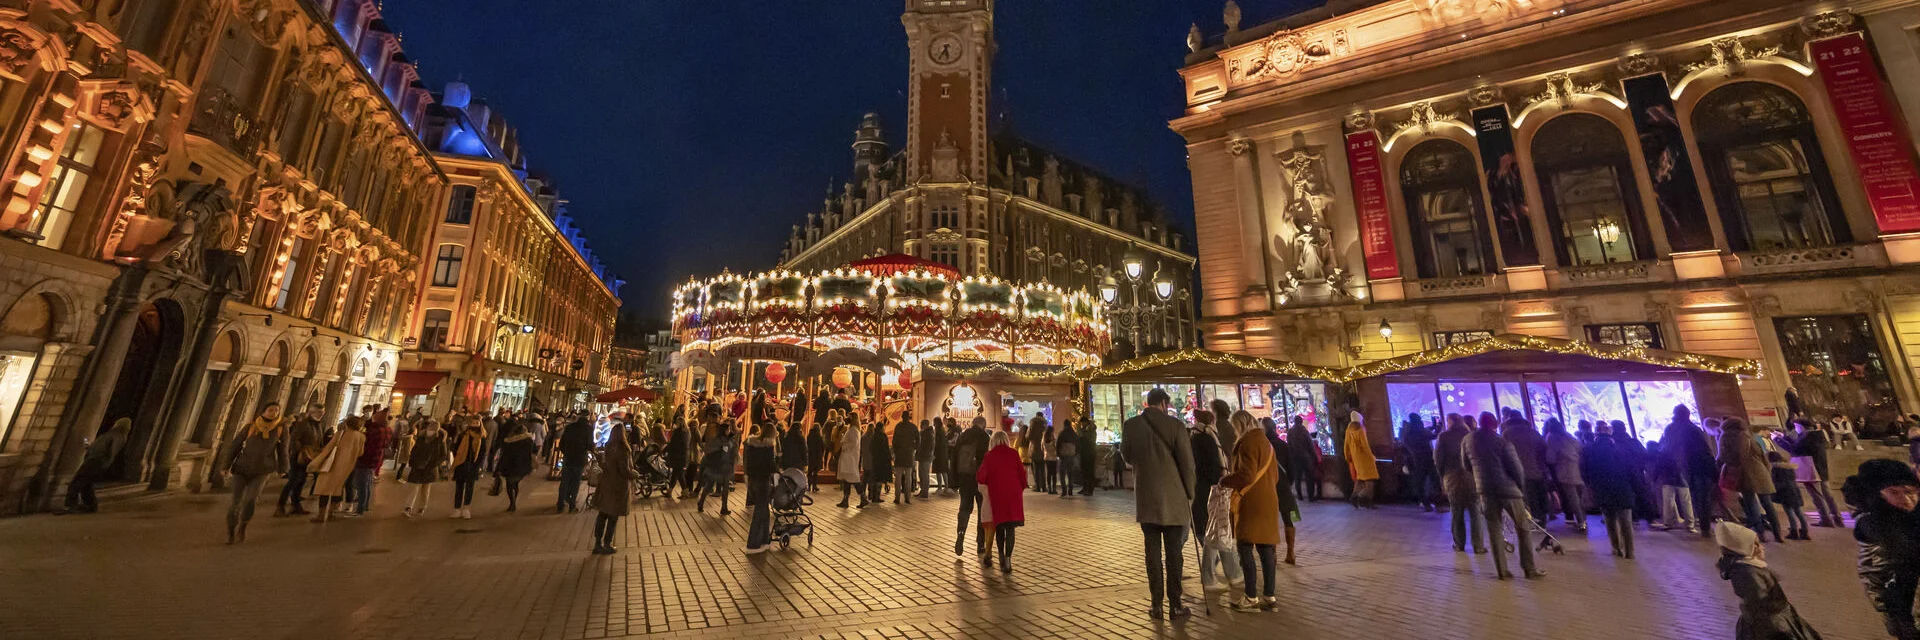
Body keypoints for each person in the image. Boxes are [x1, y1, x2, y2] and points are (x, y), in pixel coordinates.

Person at [1121, 388, 1196, 620]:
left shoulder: (1131, 426)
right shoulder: (1175, 426)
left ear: (1147, 403)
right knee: (1174, 554)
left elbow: (1126, 456)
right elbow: (1187, 464)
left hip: (1146, 499)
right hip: (1174, 499)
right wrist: (1190, 493)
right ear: (1164, 403)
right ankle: (1175, 604)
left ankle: (1156, 604)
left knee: (1152, 553)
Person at [1844, 459, 1920, 639]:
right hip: (1906, 610)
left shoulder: (1911, 516)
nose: (1906, 499)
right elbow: (1874, 574)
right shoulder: (1874, 524)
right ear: (1877, 495)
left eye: (1911, 492)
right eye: (1894, 492)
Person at [1465, 411, 1544, 579]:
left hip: (1485, 490)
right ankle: (1529, 568)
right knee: (1522, 527)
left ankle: (1502, 570)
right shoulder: (1502, 442)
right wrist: (1521, 490)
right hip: (1508, 490)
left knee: (1494, 529)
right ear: (1494, 424)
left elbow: (1465, 465)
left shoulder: (1468, 440)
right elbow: (1516, 468)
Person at [1222, 410, 1281, 611]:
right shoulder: (1266, 443)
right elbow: (1275, 476)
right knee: (1266, 549)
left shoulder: (1247, 443)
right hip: (1268, 500)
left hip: (1251, 502)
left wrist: (1226, 481)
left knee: (1245, 547)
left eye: (1234, 426)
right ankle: (1270, 595)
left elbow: (1246, 475)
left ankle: (1250, 595)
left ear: (1240, 425)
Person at [1189, 409, 1239, 594]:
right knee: (1213, 531)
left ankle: (1233, 572)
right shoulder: (1206, 438)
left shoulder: (1196, 436)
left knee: (1216, 530)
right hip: (1211, 489)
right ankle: (1211, 576)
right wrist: (1221, 483)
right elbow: (1212, 466)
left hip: (1203, 489)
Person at [222, 403, 287, 544]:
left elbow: (283, 451)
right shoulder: (251, 426)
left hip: (262, 470)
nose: (273, 413)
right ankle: (231, 531)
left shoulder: (280, 429)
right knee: (235, 502)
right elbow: (235, 446)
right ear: (263, 411)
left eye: (276, 411)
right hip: (242, 468)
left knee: (251, 499)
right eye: (270, 410)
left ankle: (243, 526)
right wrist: (225, 465)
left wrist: (283, 469)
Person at [1720, 418, 1783, 543]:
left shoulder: (1726, 437)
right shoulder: (1749, 437)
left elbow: (1724, 456)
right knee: (1768, 504)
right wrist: (1767, 470)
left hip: (1744, 474)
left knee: (1751, 503)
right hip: (1761, 473)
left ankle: (1760, 533)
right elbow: (1762, 456)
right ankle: (1778, 533)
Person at [1662, 405, 1720, 539]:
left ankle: (1701, 525)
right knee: (1704, 498)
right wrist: (1714, 470)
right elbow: (1704, 450)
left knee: (1694, 498)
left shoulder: (1670, 429)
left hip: (1681, 469)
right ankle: (1705, 527)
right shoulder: (1693, 429)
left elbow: (1666, 449)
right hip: (1700, 468)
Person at [1583, 422, 1637, 559]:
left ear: (1596, 434)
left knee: (1610, 519)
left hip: (1603, 488)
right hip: (1622, 487)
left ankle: (1616, 547)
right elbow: (1631, 469)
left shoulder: (1590, 450)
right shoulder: (1619, 448)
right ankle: (1629, 551)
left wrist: (1591, 486)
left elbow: (1587, 471)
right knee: (1625, 521)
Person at [977, 428, 1028, 572]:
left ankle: (999, 556)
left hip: (997, 494)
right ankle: (1008, 559)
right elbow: (1022, 475)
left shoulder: (989, 456)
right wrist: (1019, 490)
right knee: (1011, 528)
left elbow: (981, 477)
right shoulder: (1013, 454)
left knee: (999, 526)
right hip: (1013, 495)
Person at [1437, 413, 1485, 553]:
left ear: (1450, 421)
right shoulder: (1472, 436)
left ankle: (1459, 544)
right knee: (1475, 511)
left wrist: (1442, 476)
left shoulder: (1444, 437)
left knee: (1456, 511)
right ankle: (1479, 546)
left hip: (1452, 477)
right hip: (1472, 477)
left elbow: (1439, 459)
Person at [1259, 416, 1302, 565]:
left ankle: (1273, 554)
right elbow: (1292, 469)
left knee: (1270, 520)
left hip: (1267, 487)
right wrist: (1288, 483)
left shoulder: (1262, 446)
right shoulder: (1283, 445)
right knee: (1289, 518)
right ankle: (1290, 552)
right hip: (1283, 486)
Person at [309, 417, 367, 524]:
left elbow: (328, 448)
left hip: (333, 465)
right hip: (348, 466)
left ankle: (321, 515)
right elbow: (360, 453)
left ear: (347, 424)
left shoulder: (340, 434)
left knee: (325, 489)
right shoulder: (362, 437)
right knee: (337, 489)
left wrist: (316, 462)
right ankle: (331, 513)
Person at [1788, 420, 1842, 528]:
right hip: (1821, 469)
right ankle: (1837, 518)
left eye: (1796, 426)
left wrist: (1779, 439)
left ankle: (1826, 519)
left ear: (1801, 426)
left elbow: (1795, 449)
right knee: (1827, 495)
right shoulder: (1818, 436)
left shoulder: (1807, 438)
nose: (1796, 429)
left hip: (1811, 469)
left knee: (1817, 495)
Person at [1500, 410, 1550, 526]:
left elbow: (1503, 453)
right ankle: (1542, 520)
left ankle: (1534, 522)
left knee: (1527, 498)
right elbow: (1544, 449)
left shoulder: (1507, 434)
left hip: (1518, 471)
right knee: (1538, 496)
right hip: (1537, 470)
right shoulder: (1533, 432)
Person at [276, 404, 326, 517]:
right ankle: (280, 506)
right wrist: (299, 452)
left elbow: (318, 440)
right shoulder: (303, 424)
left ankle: (296, 506)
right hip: (299, 456)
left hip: (309, 456)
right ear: (311, 412)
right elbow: (293, 439)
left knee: (301, 481)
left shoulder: (318, 425)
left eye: (322, 412)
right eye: (319, 412)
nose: (321, 414)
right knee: (293, 480)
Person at [591, 425, 634, 555]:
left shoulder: (608, 447)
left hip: (606, 484)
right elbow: (624, 470)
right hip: (618, 486)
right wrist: (634, 474)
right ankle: (607, 543)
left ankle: (597, 543)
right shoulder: (623, 450)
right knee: (613, 516)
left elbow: (604, 464)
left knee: (602, 514)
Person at [952, 416, 991, 557]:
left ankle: (960, 534)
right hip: (981, 481)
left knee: (964, 508)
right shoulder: (985, 438)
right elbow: (989, 462)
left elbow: (955, 459)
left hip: (965, 479)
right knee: (982, 510)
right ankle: (980, 543)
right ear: (983, 426)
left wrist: (954, 481)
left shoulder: (963, 436)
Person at [1542, 418, 1586, 532]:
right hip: (1577, 469)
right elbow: (1580, 447)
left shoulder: (1551, 437)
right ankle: (1583, 520)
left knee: (1573, 498)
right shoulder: (1568, 436)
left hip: (1563, 471)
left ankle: (1581, 522)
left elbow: (1550, 458)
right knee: (1579, 497)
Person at [743, 421, 779, 554]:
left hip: (753, 479)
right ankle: (753, 544)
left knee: (764, 510)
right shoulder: (768, 447)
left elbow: (748, 462)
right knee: (760, 510)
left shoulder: (751, 444)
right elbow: (771, 465)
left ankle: (765, 540)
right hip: (763, 480)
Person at [1649, 440, 1698, 534]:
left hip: (1667, 479)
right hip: (1681, 479)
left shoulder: (1662, 452)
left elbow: (1658, 467)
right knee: (1686, 502)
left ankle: (1668, 523)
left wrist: (1654, 478)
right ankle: (1690, 525)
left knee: (1668, 502)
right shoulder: (1681, 449)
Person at [402, 420, 447, 518]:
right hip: (418, 466)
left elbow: (443, 455)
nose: (430, 431)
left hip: (430, 468)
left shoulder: (440, 440)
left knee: (425, 490)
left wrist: (434, 464)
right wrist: (412, 461)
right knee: (414, 488)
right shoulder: (421, 438)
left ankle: (421, 507)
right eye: (430, 428)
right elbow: (414, 450)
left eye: (433, 429)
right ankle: (408, 507)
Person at [349, 409, 390, 517]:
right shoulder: (387, 429)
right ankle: (365, 505)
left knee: (361, 484)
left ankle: (360, 509)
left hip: (366, 458)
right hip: (375, 459)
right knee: (366, 483)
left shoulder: (375, 430)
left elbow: (367, 441)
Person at [448, 418, 487, 519]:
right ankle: (456, 509)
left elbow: (482, 453)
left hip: (473, 465)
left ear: (480, 424)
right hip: (461, 464)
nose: (475, 425)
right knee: (459, 487)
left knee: (470, 488)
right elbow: (456, 448)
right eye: (473, 423)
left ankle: (466, 508)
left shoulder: (481, 437)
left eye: (477, 423)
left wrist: (478, 465)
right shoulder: (463, 435)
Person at [698, 417, 737, 515]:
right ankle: (703, 502)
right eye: (728, 429)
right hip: (720, 466)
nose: (729, 431)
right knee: (717, 486)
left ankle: (721, 506)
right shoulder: (724, 441)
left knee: (717, 486)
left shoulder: (727, 440)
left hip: (721, 466)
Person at [1400, 412, 1438, 512]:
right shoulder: (1419, 431)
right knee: (1434, 480)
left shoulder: (1408, 431)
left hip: (1416, 460)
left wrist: (1433, 427)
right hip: (1427, 458)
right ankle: (1437, 502)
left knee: (1419, 482)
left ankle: (1425, 503)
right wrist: (1438, 427)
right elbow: (1432, 436)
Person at [496, 422, 535, 513]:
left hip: (510, 465)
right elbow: (534, 452)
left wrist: (499, 469)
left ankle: (512, 503)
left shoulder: (510, 441)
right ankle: (513, 502)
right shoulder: (529, 441)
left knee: (509, 484)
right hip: (523, 466)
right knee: (515, 483)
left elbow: (504, 456)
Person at [1342, 411, 1379, 509]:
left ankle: (1354, 497)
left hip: (1355, 459)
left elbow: (1346, 445)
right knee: (1370, 480)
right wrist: (1371, 456)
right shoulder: (1360, 429)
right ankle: (1366, 500)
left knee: (1360, 479)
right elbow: (1365, 446)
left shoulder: (1349, 430)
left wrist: (1348, 457)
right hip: (1365, 458)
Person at [556, 417, 593, 512]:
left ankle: (560, 504)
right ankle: (572, 504)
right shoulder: (588, 429)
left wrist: (566, 453)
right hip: (580, 459)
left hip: (568, 458)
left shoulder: (569, 428)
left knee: (564, 482)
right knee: (576, 482)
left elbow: (562, 443)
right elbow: (590, 444)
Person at [1286, 417, 1321, 502]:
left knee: (1297, 477)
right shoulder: (1304, 431)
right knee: (1309, 477)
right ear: (1301, 422)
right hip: (1306, 458)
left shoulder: (1290, 432)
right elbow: (1310, 446)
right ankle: (1310, 496)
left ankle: (1299, 495)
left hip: (1295, 458)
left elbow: (1289, 445)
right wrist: (1315, 457)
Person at [836, 415, 866, 508]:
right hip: (848, 459)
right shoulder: (852, 429)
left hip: (850, 459)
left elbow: (853, 443)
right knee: (847, 480)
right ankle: (846, 500)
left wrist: (844, 444)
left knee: (854, 480)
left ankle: (863, 498)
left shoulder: (853, 430)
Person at [864, 415, 892, 504]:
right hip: (882, 461)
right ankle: (876, 497)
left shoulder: (874, 436)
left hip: (875, 461)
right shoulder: (883, 436)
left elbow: (871, 448)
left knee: (874, 478)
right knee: (880, 479)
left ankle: (871, 495)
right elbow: (886, 449)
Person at [892, 412, 918, 504]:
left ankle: (897, 498)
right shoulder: (913, 427)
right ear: (909, 417)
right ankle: (907, 498)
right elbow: (918, 441)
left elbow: (894, 441)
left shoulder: (898, 426)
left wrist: (894, 452)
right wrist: (913, 448)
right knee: (908, 478)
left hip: (899, 455)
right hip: (909, 455)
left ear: (902, 417)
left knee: (898, 478)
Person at [1056, 418, 1080, 497]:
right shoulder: (1074, 434)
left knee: (1062, 473)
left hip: (1063, 455)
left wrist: (1058, 454)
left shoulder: (1062, 433)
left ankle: (1064, 491)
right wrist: (1075, 453)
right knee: (1070, 473)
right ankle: (1070, 490)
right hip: (1071, 455)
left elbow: (1058, 444)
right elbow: (1077, 445)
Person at [1078, 416, 1098, 496]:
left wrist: (1083, 433)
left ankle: (1089, 489)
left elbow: (1089, 440)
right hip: (1084, 452)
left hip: (1089, 453)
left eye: (1082, 422)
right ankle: (1085, 487)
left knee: (1089, 472)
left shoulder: (1091, 430)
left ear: (1086, 422)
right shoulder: (1084, 430)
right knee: (1084, 471)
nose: (1082, 424)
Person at [807, 417, 827, 493]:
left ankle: (809, 486)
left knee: (809, 471)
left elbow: (807, 444)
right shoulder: (819, 437)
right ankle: (814, 486)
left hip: (810, 454)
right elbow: (822, 446)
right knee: (815, 472)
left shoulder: (809, 435)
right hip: (817, 455)